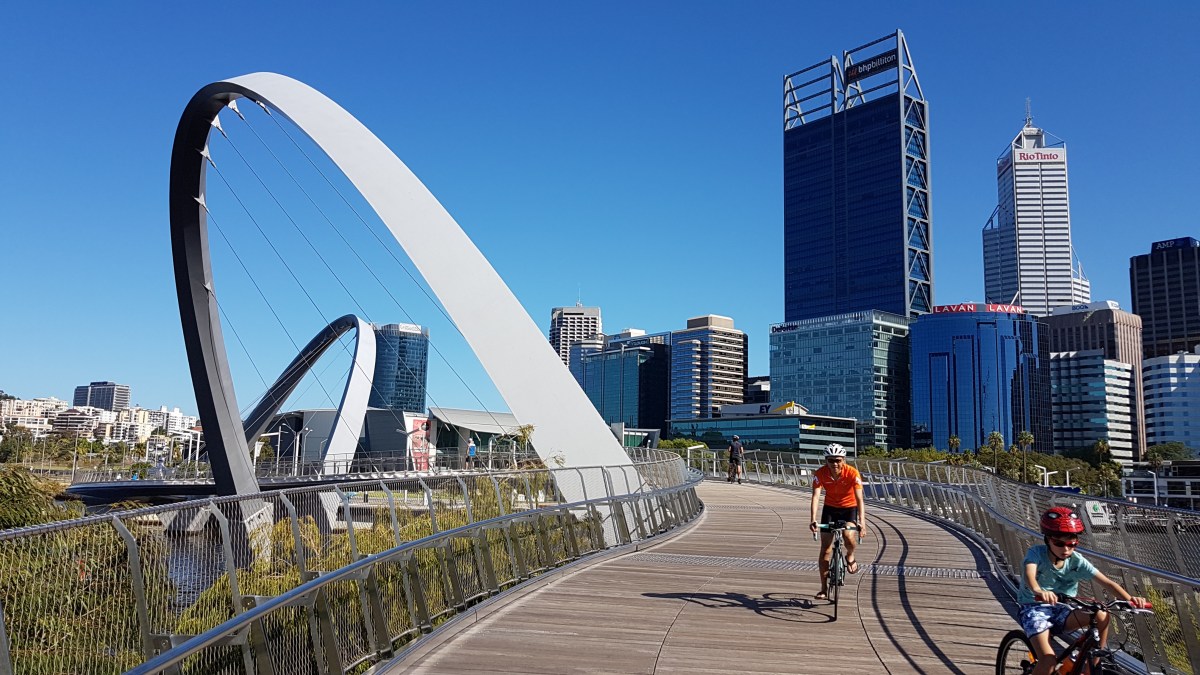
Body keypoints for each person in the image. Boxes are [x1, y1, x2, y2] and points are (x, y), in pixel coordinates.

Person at [1019, 507, 1149, 675]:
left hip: (1064, 610)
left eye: (1072, 544)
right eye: (1059, 543)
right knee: (1048, 660)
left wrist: (1131, 600)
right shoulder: (1036, 553)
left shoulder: (1077, 561)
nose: (1066, 549)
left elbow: (1108, 583)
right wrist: (1039, 591)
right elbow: (1030, 574)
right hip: (1034, 609)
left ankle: (1092, 664)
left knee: (1101, 614)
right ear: (1047, 540)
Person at [808, 442, 866, 601]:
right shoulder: (820, 474)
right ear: (826, 460)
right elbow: (815, 497)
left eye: (838, 460)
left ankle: (850, 556)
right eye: (831, 460)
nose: (835, 464)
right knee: (825, 550)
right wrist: (812, 519)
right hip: (830, 509)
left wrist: (862, 522)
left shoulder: (852, 473)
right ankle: (823, 589)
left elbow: (860, 499)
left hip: (849, 508)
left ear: (844, 460)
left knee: (848, 535)